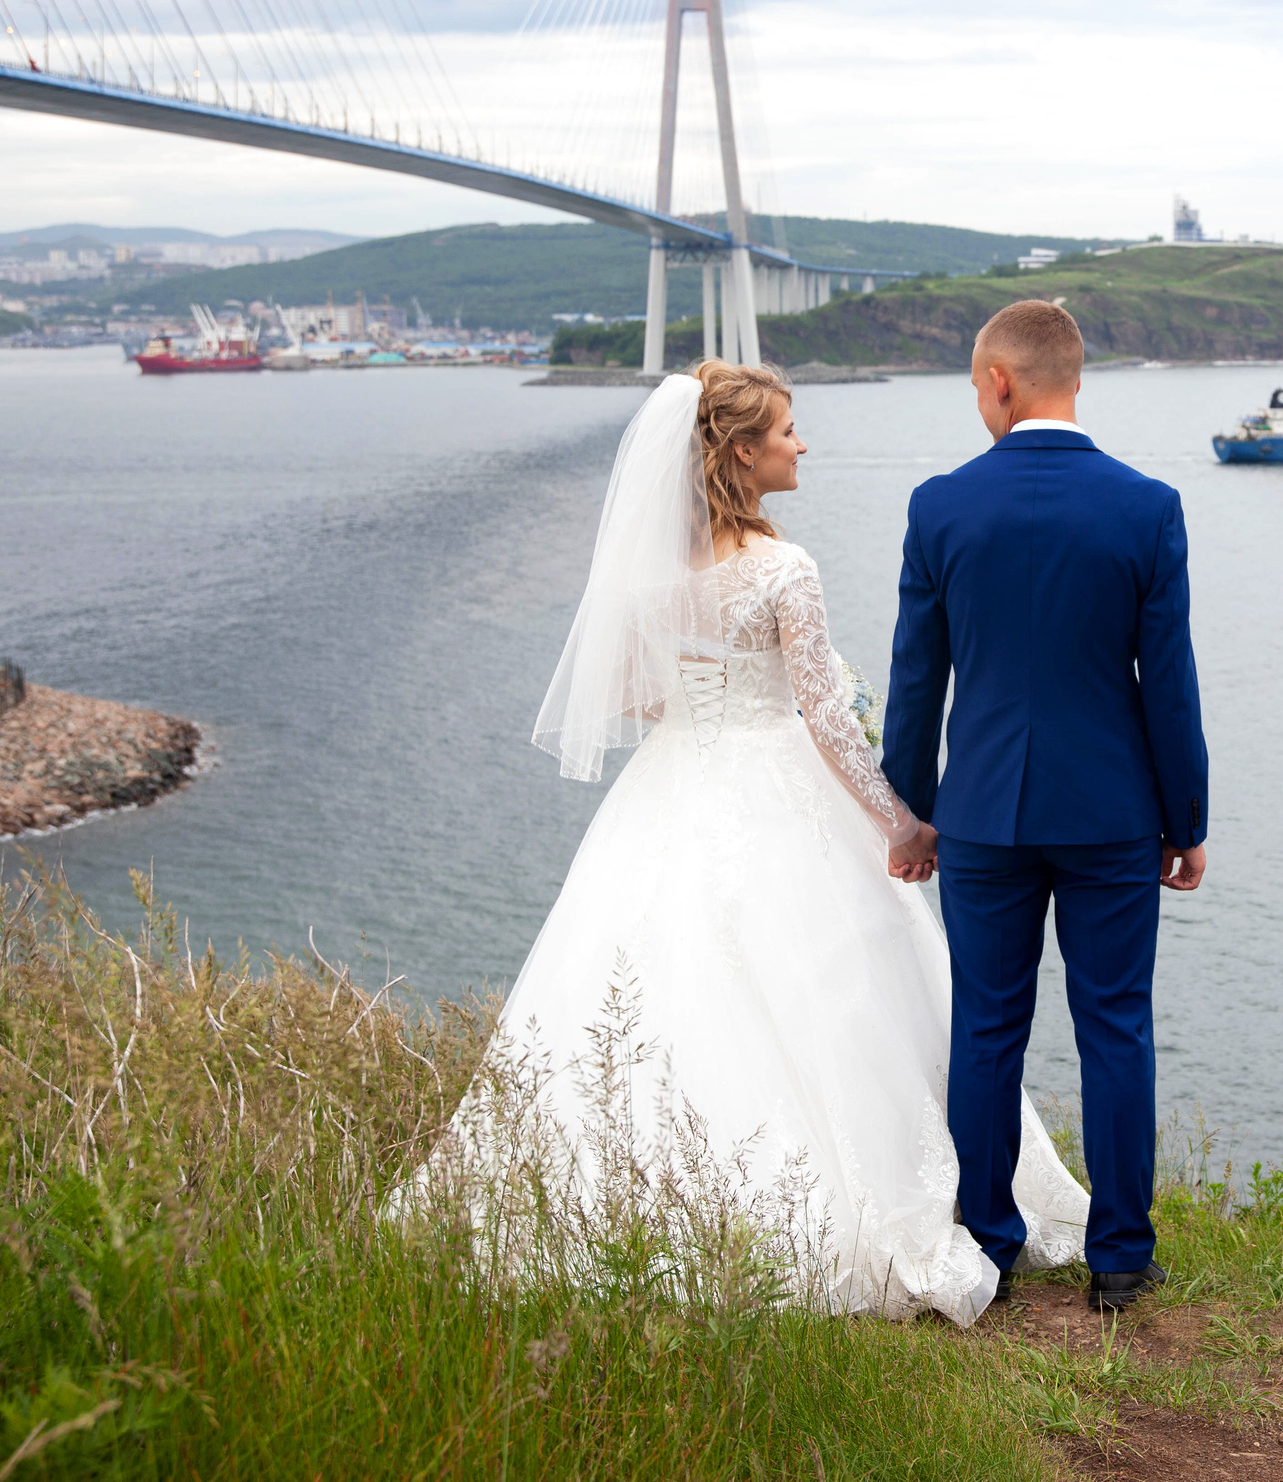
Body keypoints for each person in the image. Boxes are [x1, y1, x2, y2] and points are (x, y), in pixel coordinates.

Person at [443, 359, 1089, 1327]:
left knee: (660, 986)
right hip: (776, 780)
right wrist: (905, 823)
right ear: (742, 452)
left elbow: (630, 699)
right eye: (786, 430)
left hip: (671, 781)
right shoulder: (783, 567)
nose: (800, 443)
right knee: (840, 984)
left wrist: (710, 695)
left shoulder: (650, 572)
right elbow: (827, 719)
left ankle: (633, 1202)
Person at [883, 299, 1210, 1313]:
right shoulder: (1145, 507)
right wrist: (1186, 821)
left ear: (998, 381)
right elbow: (1170, 680)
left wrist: (913, 811)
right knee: (1117, 1025)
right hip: (1112, 813)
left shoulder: (941, 507)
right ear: (1075, 378)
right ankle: (1119, 1255)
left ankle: (987, 1242)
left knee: (985, 1027)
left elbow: (913, 684)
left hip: (980, 813)